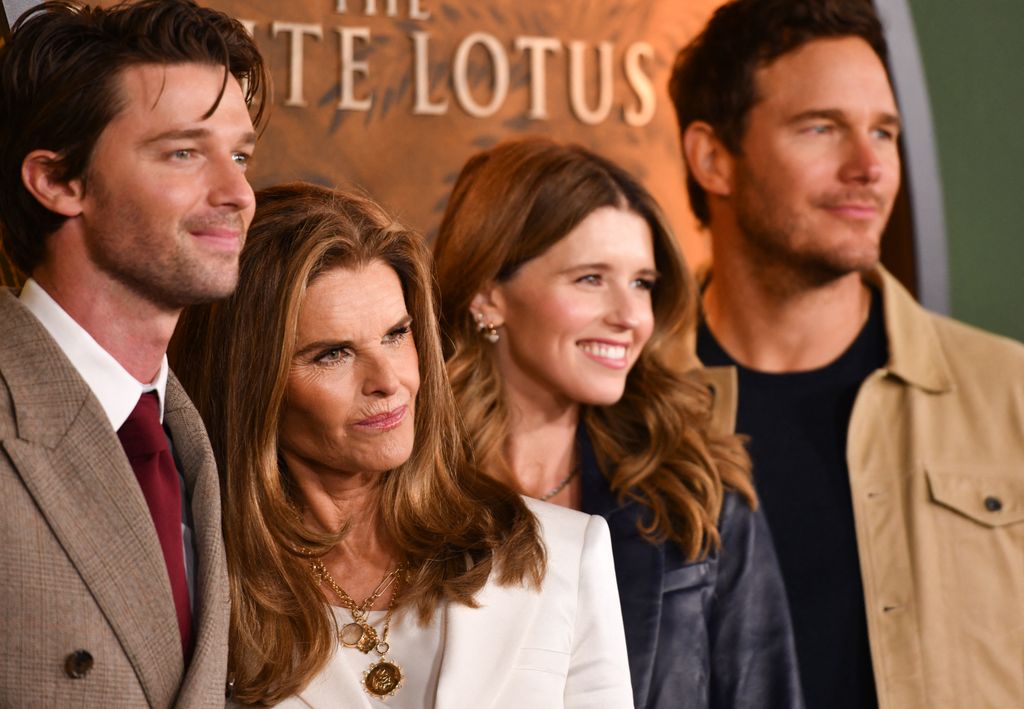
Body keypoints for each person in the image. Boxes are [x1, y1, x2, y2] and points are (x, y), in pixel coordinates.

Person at [668, 1, 1024, 707]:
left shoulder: (1010, 393)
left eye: (884, 133)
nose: (869, 166)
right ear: (713, 157)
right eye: (822, 128)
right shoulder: (625, 409)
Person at [170, 181, 634, 708]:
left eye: (396, 334)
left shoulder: (562, 554)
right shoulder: (192, 581)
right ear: (250, 385)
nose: (388, 381)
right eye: (333, 354)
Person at [432, 137, 802, 709]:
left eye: (642, 283)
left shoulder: (700, 493)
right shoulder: (399, 488)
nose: (631, 317)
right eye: (590, 279)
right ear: (488, 293)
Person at [0, 0, 268, 705]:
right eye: (184, 152)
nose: (237, 192)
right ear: (60, 181)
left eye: (239, 154)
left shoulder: (195, 437)